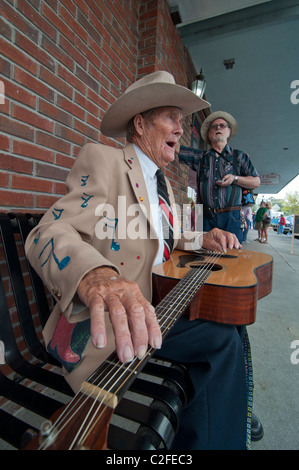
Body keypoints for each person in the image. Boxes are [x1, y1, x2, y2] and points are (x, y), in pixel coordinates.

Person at [25, 71, 256, 450]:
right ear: (140, 123)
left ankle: (222, 417)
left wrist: (204, 236)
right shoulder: (104, 160)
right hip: (113, 326)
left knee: (228, 324)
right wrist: (96, 274)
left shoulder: (162, 182)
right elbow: (48, 232)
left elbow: (167, 232)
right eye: (171, 117)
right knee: (223, 342)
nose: (181, 130)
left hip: (155, 308)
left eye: (182, 121)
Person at [178, 111, 260, 244]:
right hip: (204, 216)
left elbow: (256, 181)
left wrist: (235, 179)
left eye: (222, 125)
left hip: (232, 217)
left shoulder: (239, 156)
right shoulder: (201, 157)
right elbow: (176, 149)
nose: (218, 128)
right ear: (209, 134)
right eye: (214, 126)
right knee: (202, 255)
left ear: (229, 131)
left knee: (231, 257)